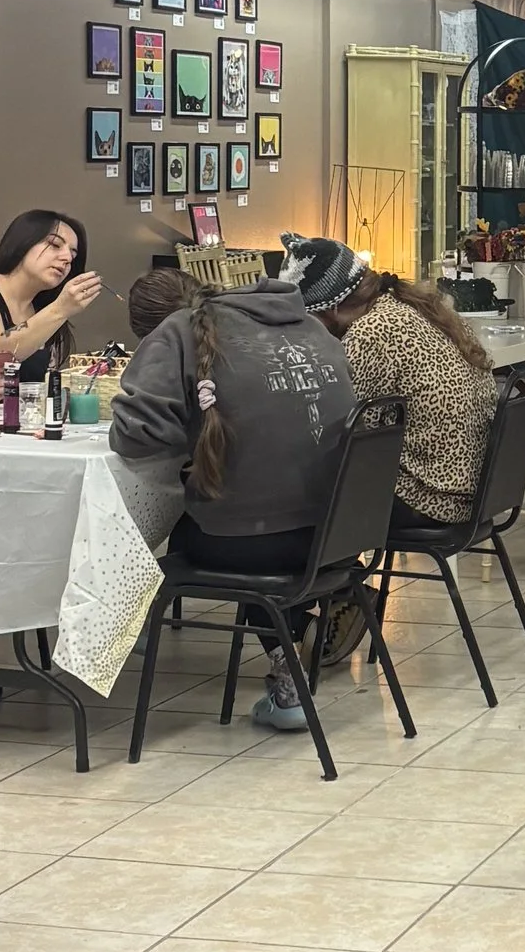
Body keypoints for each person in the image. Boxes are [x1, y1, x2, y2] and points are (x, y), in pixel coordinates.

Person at [109, 245, 356, 731]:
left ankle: (115, 628)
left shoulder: (179, 335)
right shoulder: (312, 328)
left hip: (255, 544)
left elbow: (136, 439)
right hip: (337, 538)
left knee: (196, 522)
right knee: (245, 502)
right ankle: (291, 658)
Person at [310, 241, 499, 532]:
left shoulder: (370, 332)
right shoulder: (417, 307)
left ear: (331, 309)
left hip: (430, 502)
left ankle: (330, 574)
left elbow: (342, 430)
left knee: (304, 491)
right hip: (475, 494)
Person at [0, 210, 100, 389]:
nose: (66, 258)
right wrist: (60, 310)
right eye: (54, 244)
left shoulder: (41, 307)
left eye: (73, 256)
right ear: (23, 243)